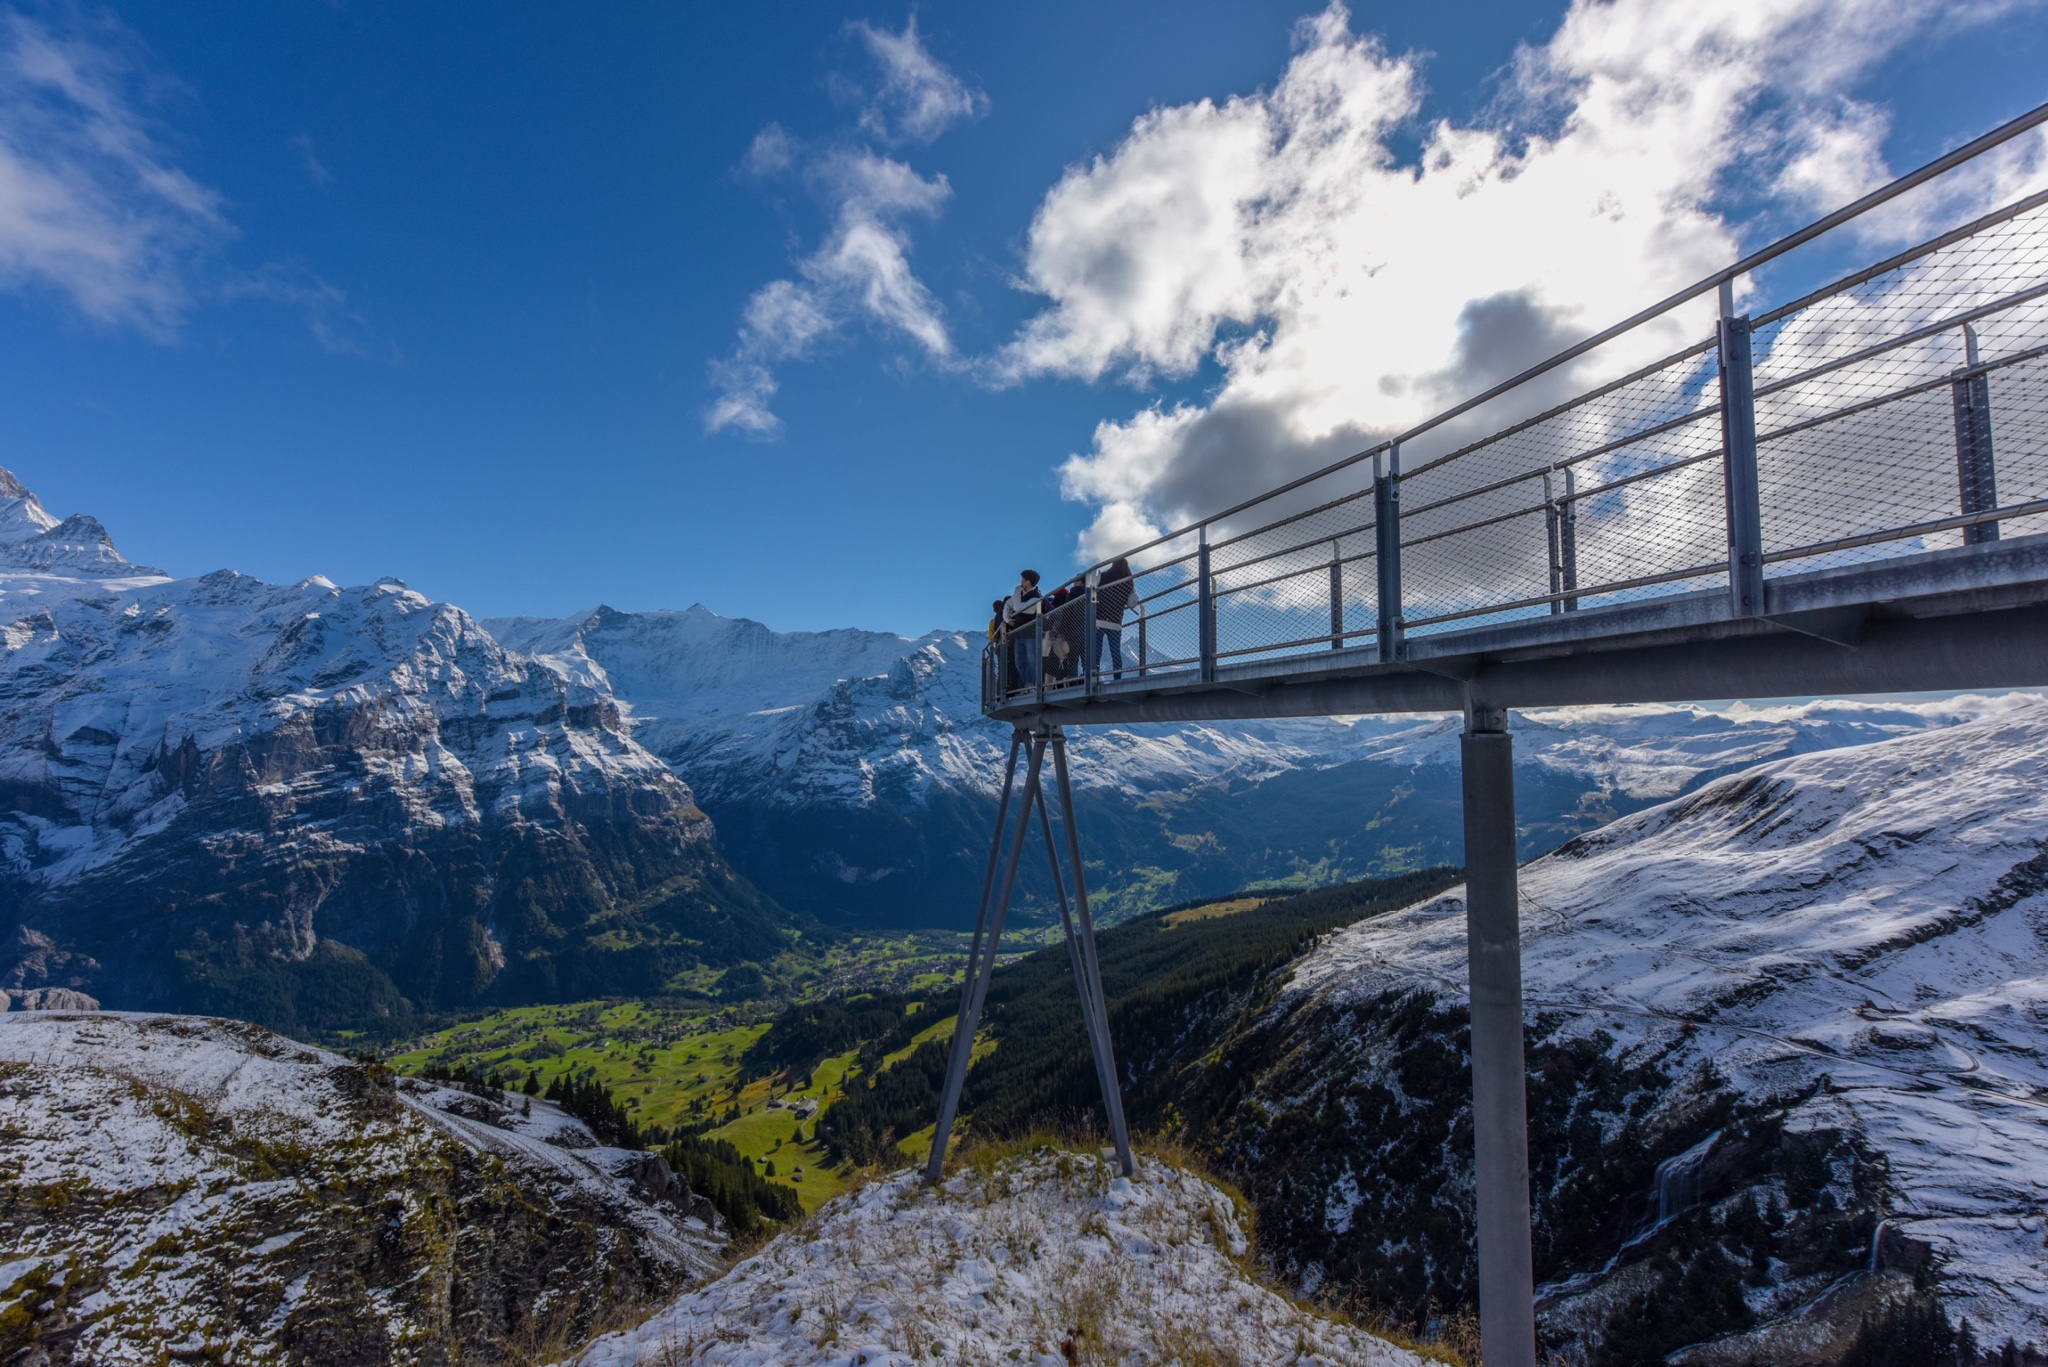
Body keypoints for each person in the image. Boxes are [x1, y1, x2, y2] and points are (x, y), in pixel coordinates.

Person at [1090, 557, 1135, 680]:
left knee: (1097, 651)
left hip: (1100, 618)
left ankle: (1095, 677)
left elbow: (1092, 588)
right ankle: (1117, 679)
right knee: (1115, 653)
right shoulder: (1128, 582)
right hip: (1116, 621)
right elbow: (1132, 603)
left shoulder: (1104, 576)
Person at [1002, 570, 1042, 691]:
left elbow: (1020, 609)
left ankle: (1031, 684)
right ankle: (1027, 685)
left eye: (1023, 579)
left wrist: (1016, 591)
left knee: (1031, 661)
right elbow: (1007, 606)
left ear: (1028, 581)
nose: (1020, 582)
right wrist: (1007, 619)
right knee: (1019, 663)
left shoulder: (1036, 598)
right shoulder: (1019, 596)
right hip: (1018, 633)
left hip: (1031, 633)